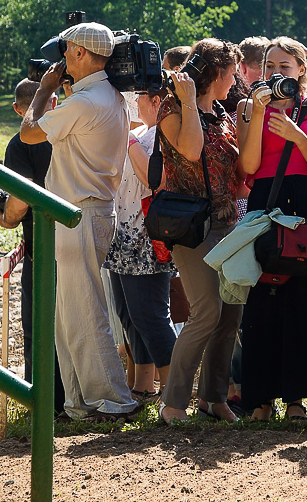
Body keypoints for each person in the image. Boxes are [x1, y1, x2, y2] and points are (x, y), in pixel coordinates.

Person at [19, 21, 140, 421]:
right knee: (68, 313)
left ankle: (113, 400)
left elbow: (30, 133)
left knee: (85, 311)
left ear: (82, 54)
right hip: (86, 209)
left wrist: (43, 92)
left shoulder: (86, 102)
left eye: (67, 52)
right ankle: (80, 402)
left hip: (80, 212)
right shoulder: (107, 96)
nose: (63, 60)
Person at [237, 37, 307, 424]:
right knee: (262, 302)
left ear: (300, 70)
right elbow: (248, 167)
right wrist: (260, 116)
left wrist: (296, 132)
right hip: (267, 202)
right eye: (270, 67)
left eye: (285, 66)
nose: (277, 73)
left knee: (305, 300)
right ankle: (261, 399)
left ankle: (297, 398)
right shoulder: (250, 106)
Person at [156, 39, 245, 424]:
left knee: (231, 314)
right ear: (214, 73)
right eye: (231, 73)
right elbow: (191, 151)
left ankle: (212, 398)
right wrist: (189, 101)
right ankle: (173, 402)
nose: (236, 79)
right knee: (207, 310)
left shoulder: (224, 115)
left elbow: (238, 173)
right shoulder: (172, 109)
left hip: (229, 224)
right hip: (191, 228)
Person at [104, 86, 177, 403]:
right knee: (128, 315)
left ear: (156, 101)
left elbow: (153, 179)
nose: (132, 104)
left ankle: (175, 392)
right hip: (124, 234)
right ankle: (144, 386)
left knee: (151, 315)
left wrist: (128, 138)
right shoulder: (146, 132)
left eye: (138, 97)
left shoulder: (163, 135)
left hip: (147, 238)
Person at [0, 79, 64, 412]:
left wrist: (6, 219)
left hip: (41, 247)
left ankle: (43, 403)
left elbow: (20, 200)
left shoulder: (20, 143)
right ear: (53, 102)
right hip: (80, 240)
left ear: (17, 109)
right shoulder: (69, 132)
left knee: (38, 328)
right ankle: (75, 399)